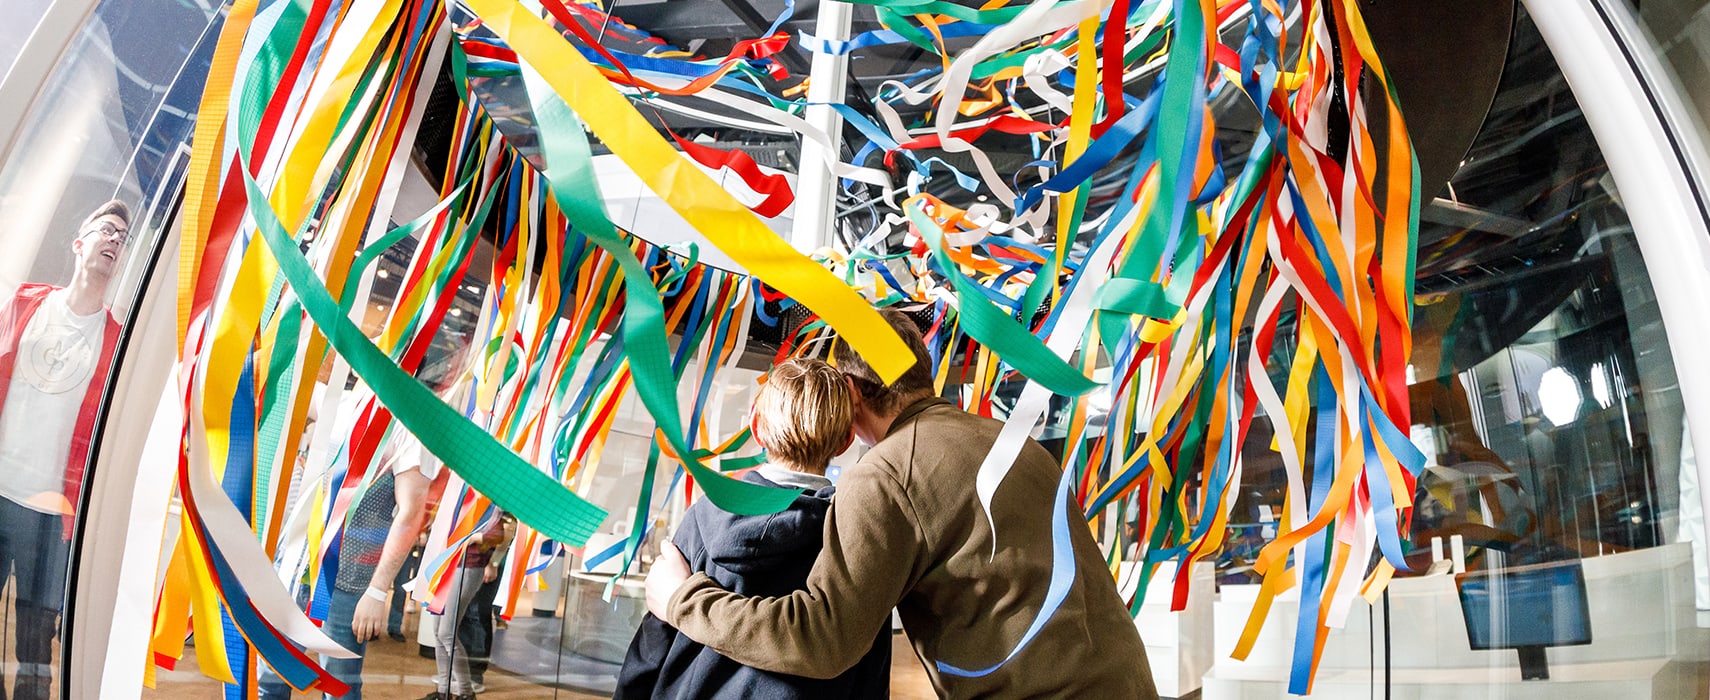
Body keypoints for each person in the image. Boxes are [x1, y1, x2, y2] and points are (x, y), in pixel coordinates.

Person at [645, 309, 1158, 698]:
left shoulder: (886, 473)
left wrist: (678, 599)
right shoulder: (1012, 443)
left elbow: (824, 640)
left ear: (849, 392)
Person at [619, 358, 891, 699]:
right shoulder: (855, 536)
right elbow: (869, 663)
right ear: (846, 441)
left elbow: (654, 641)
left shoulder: (705, 515)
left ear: (755, 425)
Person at [0, 200, 129, 700]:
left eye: (123, 234)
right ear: (79, 243)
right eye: (106, 229)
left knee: (36, 654)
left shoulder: (116, 343)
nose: (115, 238)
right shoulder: (26, 304)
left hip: (53, 519)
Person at [259, 377, 449, 700]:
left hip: (348, 583)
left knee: (340, 686)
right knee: (270, 676)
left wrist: (376, 591)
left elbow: (411, 514)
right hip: (295, 566)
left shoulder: (408, 427)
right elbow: (288, 380)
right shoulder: (343, 402)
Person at [422, 509, 512, 700]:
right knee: (439, 630)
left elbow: (496, 535)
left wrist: (468, 538)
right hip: (449, 564)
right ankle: (443, 690)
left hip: (469, 567)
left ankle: (465, 691)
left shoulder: (489, 502)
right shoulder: (461, 495)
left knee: (447, 632)